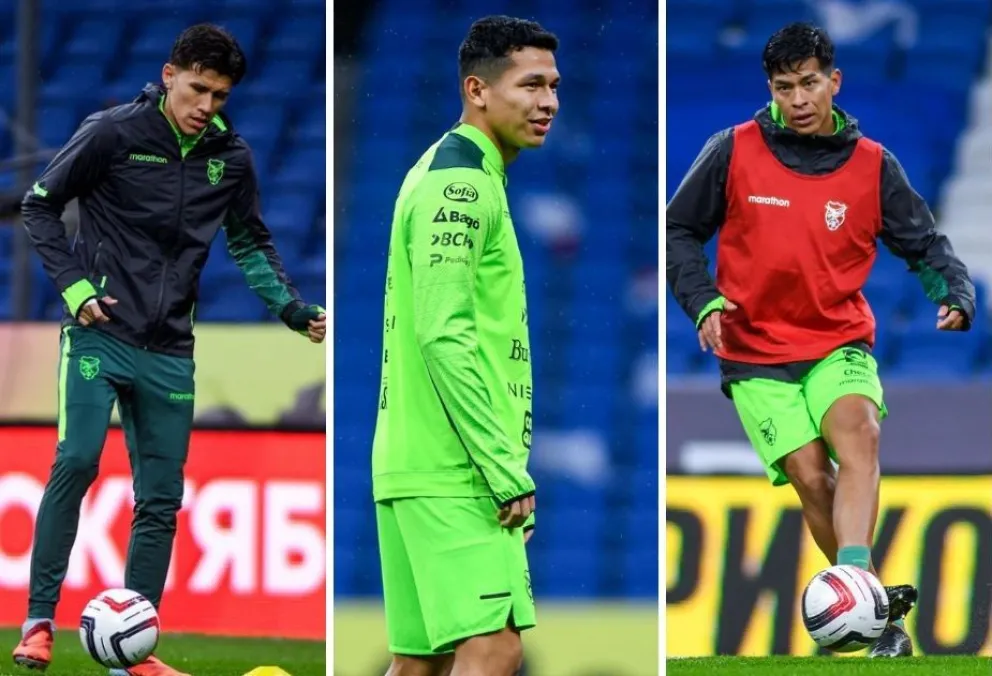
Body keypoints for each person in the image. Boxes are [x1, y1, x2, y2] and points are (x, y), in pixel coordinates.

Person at [12, 24, 326, 676]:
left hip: (170, 349)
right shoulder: (112, 134)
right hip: (99, 333)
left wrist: (292, 308)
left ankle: (134, 649)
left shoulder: (230, 157)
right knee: (75, 460)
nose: (207, 104)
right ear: (169, 75)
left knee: (160, 499)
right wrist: (74, 289)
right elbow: (40, 207)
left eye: (220, 95)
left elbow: (249, 243)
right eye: (199, 88)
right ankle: (40, 621)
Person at [666, 22, 976, 658]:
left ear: (834, 80)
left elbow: (922, 242)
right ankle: (879, 616)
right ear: (770, 89)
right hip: (753, 353)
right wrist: (702, 303)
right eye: (784, 88)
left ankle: (857, 585)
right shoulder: (732, 149)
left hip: (837, 340)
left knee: (858, 431)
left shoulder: (872, 166)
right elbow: (678, 232)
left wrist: (954, 292)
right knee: (812, 478)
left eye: (810, 83)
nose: (799, 99)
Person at [371, 15, 559, 676]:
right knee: (493, 646)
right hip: (455, 470)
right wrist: (502, 467)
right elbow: (443, 335)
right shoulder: (461, 185)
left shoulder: (446, 170)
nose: (548, 102)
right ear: (477, 90)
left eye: (553, 86)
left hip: (415, 461)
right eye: (530, 85)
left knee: (418, 663)